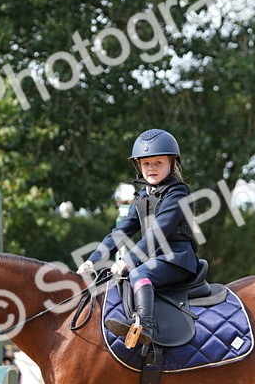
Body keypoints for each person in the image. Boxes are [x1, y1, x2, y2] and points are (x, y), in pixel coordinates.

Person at [77, 129, 199, 347]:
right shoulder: (143, 196)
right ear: (139, 166)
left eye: (158, 163)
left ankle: (145, 326)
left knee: (139, 272)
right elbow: (121, 231)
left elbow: (158, 232)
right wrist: (92, 261)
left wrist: (128, 260)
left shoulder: (178, 193)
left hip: (177, 259)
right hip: (154, 258)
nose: (151, 168)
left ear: (173, 164)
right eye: (146, 164)